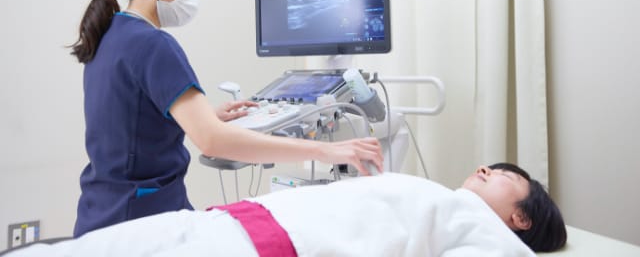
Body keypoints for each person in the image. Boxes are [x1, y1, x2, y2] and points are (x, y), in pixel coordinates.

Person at [68, 0, 383, 238]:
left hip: (100, 216)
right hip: (142, 226)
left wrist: (204, 116)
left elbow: (128, 124)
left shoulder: (109, 34)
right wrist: (326, 151)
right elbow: (212, 142)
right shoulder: (153, 44)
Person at [4, 163, 566, 257]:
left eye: (506, 176)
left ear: (520, 218)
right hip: (230, 224)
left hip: (259, 245)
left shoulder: (485, 229)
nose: (486, 169)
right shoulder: (441, 198)